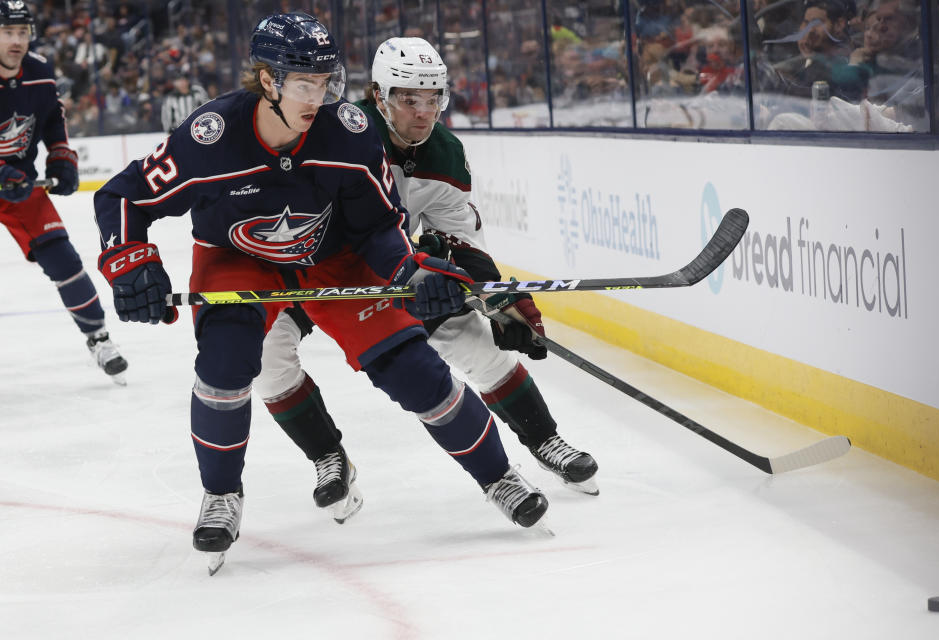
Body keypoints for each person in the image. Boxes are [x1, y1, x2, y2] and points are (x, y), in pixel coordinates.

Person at [92, 13, 548, 573]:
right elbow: (124, 197)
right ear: (267, 81)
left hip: (333, 255)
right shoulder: (210, 136)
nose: (320, 97)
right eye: (305, 84)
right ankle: (221, 495)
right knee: (226, 365)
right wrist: (129, 262)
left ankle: (498, 476)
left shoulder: (348, 132)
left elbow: (380, 228)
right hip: (239, 258)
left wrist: (414, 272)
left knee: (412, 367)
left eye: (327, 81)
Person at [255, 36, 598, 526]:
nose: (423, 112)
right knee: (265, 355)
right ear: (378, 96)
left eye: (433, 97)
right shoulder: (339, 134)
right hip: (301, 271)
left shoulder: (443, 153)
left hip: (390, 270)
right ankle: (328, 456)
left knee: (469, 338)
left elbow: (459, 236)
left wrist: (493, 297)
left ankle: (544, 439)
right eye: (407, 98)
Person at [0, 0, 127, 384]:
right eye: (7, 32)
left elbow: (53, 120)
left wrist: (61, 159)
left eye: (22, 32)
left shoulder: (39, 72)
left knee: (64, 259)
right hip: (12, 177)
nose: (16, 40)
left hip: (20, 189)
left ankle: (98, 338)